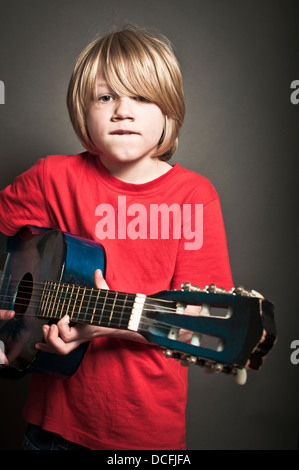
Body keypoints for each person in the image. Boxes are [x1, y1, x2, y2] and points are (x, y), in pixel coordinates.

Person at [0, 27, 233, 450]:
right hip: (52, 426)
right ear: (82, 110)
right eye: (106, 97)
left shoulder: (194, 196)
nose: (123, 111)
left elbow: (199, 321)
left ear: (170, 111)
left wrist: (104, 327)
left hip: (144, 433)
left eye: (142, 97)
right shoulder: (53, 177)